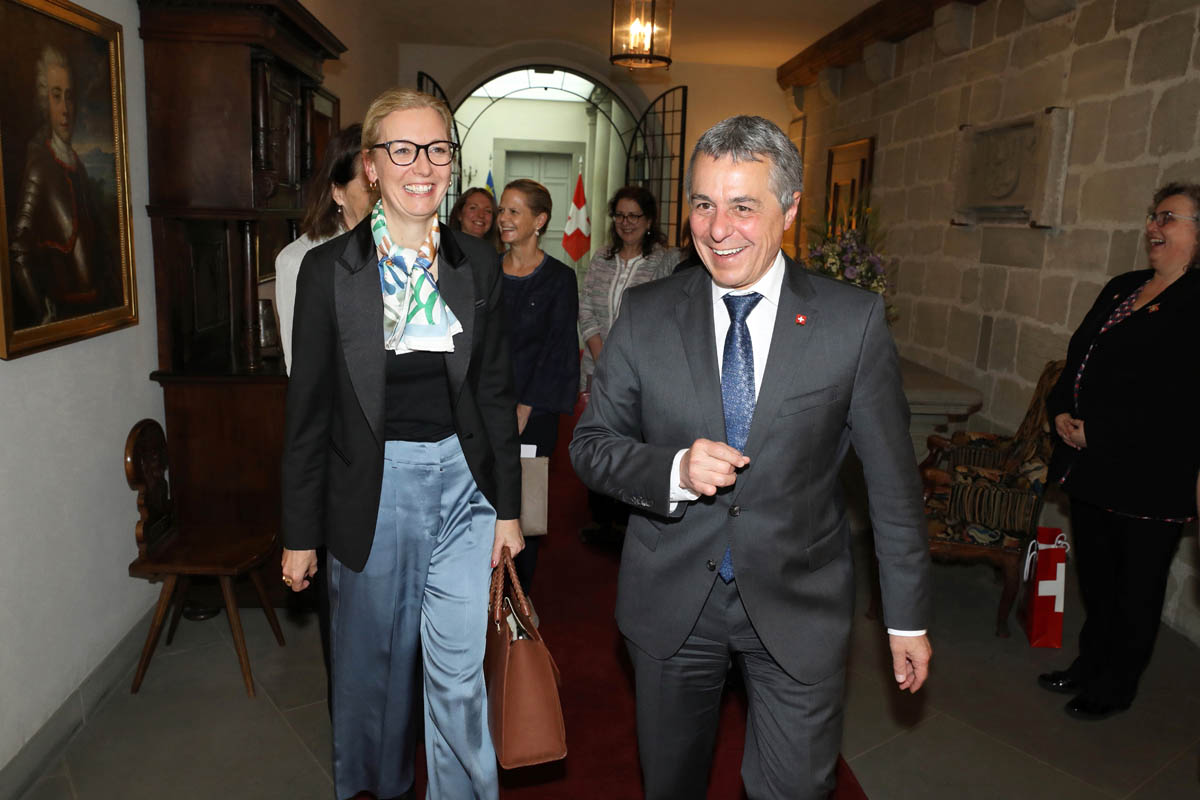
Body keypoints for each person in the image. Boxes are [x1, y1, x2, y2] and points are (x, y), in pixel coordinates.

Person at [569, 115, 932, 800]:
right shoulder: (646, 314)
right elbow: (591, 447)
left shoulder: (850, 322)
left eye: (743, 206)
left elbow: (892, 486)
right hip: (672, 602)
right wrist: (673, 471)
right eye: (703, 204)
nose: (717, 229)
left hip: (800, 602)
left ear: (789, 210)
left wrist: (906, 617)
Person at [280, 88, 523, 800]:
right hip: (374, 489)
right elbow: (308, 413)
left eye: (438, 149)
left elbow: (495, 394)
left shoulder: (477, 264)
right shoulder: (330, 272)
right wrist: (300, 534)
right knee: (375, 677)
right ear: (372, 166)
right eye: (403, 149)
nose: (424, 165)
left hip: (466, 489)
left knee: (460, 677)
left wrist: (508, 510)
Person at [1038, 182, 1200, 721]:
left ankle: (1115, 685)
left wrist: (1101, 431)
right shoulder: (1123, 287)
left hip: (1150, 475)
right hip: (1092, 468)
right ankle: (1090, 664)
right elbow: (1078, 357)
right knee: (1099, 581)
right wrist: (1061, 410)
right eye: (1153, 216)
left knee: (1136, 590)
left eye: (1169, 217)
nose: (1154, 226)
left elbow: (1178, 401)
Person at [577, 185, 682, 539]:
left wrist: (623, 363)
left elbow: (664, 316)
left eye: (634, 216)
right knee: (599, 436)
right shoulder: (601, 257)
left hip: (642, 372)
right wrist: (602, 356)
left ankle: (626, 519)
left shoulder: (663, 262)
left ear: (649, 221)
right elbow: (586, 308)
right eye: (620, 215)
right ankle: (600, 517)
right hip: (598, 366)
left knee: (633, 442)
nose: (626, 222)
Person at [497, 178, 580, 589]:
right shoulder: (487, 272)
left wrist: (524, 408)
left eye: (514, 211)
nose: (503, 219)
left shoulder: (559, 279)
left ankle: (517, 598)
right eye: (502, 210)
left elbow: (556, 350)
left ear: (539, 220)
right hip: (487, 408)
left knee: (522, 509)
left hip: (535, 413)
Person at [10, 45, 117, 327]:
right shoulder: (40, 166)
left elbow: (99, 238)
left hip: (94, 311)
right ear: (44, 102)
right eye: (56, 96)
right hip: (64, 313)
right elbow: (18, 248)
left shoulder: (77, 166)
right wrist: (42, 310)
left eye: (69, 97)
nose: (65, 109)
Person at [274, 123, 376, 373]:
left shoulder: (402, 251)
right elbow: (302, 368)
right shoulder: (299, 260)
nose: (382, 197)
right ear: (338, 192)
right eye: (370, 187)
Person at [448, 185, 501, 251]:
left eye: (488, 211)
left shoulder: (496, 254)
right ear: (459, 214)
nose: (481, 215)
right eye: (473, 208)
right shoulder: (442, 250)